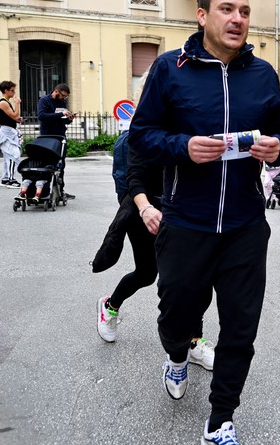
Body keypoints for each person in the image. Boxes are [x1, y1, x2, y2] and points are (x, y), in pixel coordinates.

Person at [128, 0, 280, 445]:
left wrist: (278, 148)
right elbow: (141, 136)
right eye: (226, 9)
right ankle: (177, 354)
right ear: (202, 16)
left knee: (240, 327)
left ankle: (220, 423)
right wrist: (183, 147)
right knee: (176, 315)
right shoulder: (169, 69)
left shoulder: (262, 74)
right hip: (187, 222)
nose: (238, 19)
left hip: (245, 224)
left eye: (244, 10)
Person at [91, 129, 215, 369]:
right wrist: (145, 208)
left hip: (182, 213)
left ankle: (193, 340)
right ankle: (110, 306)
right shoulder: (145, 133)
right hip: (145, 211)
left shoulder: (191, 125)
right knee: (146, 273)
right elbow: (133, 178)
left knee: (194, 276)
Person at [37, 82, 76, 199]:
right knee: (47, 163)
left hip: (60, 136)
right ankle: (45, 190)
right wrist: (60, 114)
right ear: (56, 91)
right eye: (63, 95)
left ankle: (60, 191)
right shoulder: (44, 101)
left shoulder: (62, 102)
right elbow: (42, 116)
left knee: (60, 164)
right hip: (47, 136)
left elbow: (62, 119)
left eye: (66, 97)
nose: (64, 98)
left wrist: (69, 118)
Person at [0, 80, 22, 187]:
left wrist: (17, 119)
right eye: (12, 90)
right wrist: (17, 103)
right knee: (14, 154)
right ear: (5, 90)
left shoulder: (6, 102)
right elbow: (14, 115)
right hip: (6, 132)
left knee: (8, 156)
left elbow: (12, 117)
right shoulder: (3, 102)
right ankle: (10, 179)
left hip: (9, 130)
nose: (14, 92)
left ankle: (5, 178)